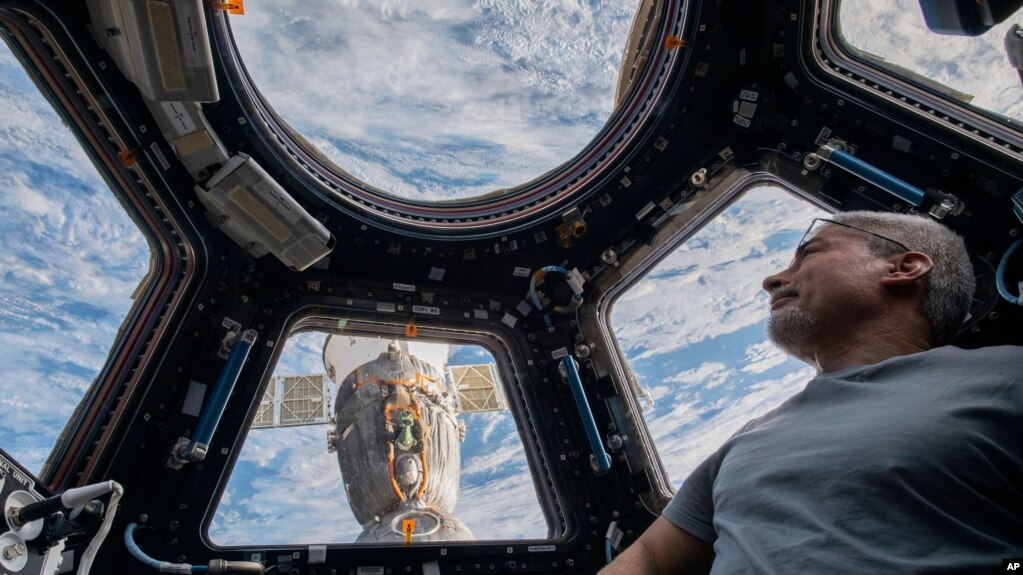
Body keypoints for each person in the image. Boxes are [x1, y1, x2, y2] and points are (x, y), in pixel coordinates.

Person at [600, 211, 1023, 574]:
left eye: (810, 253)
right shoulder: (745, 441)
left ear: (903, 268)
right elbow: (652, 559)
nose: (772, 279)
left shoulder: (1006, 375)